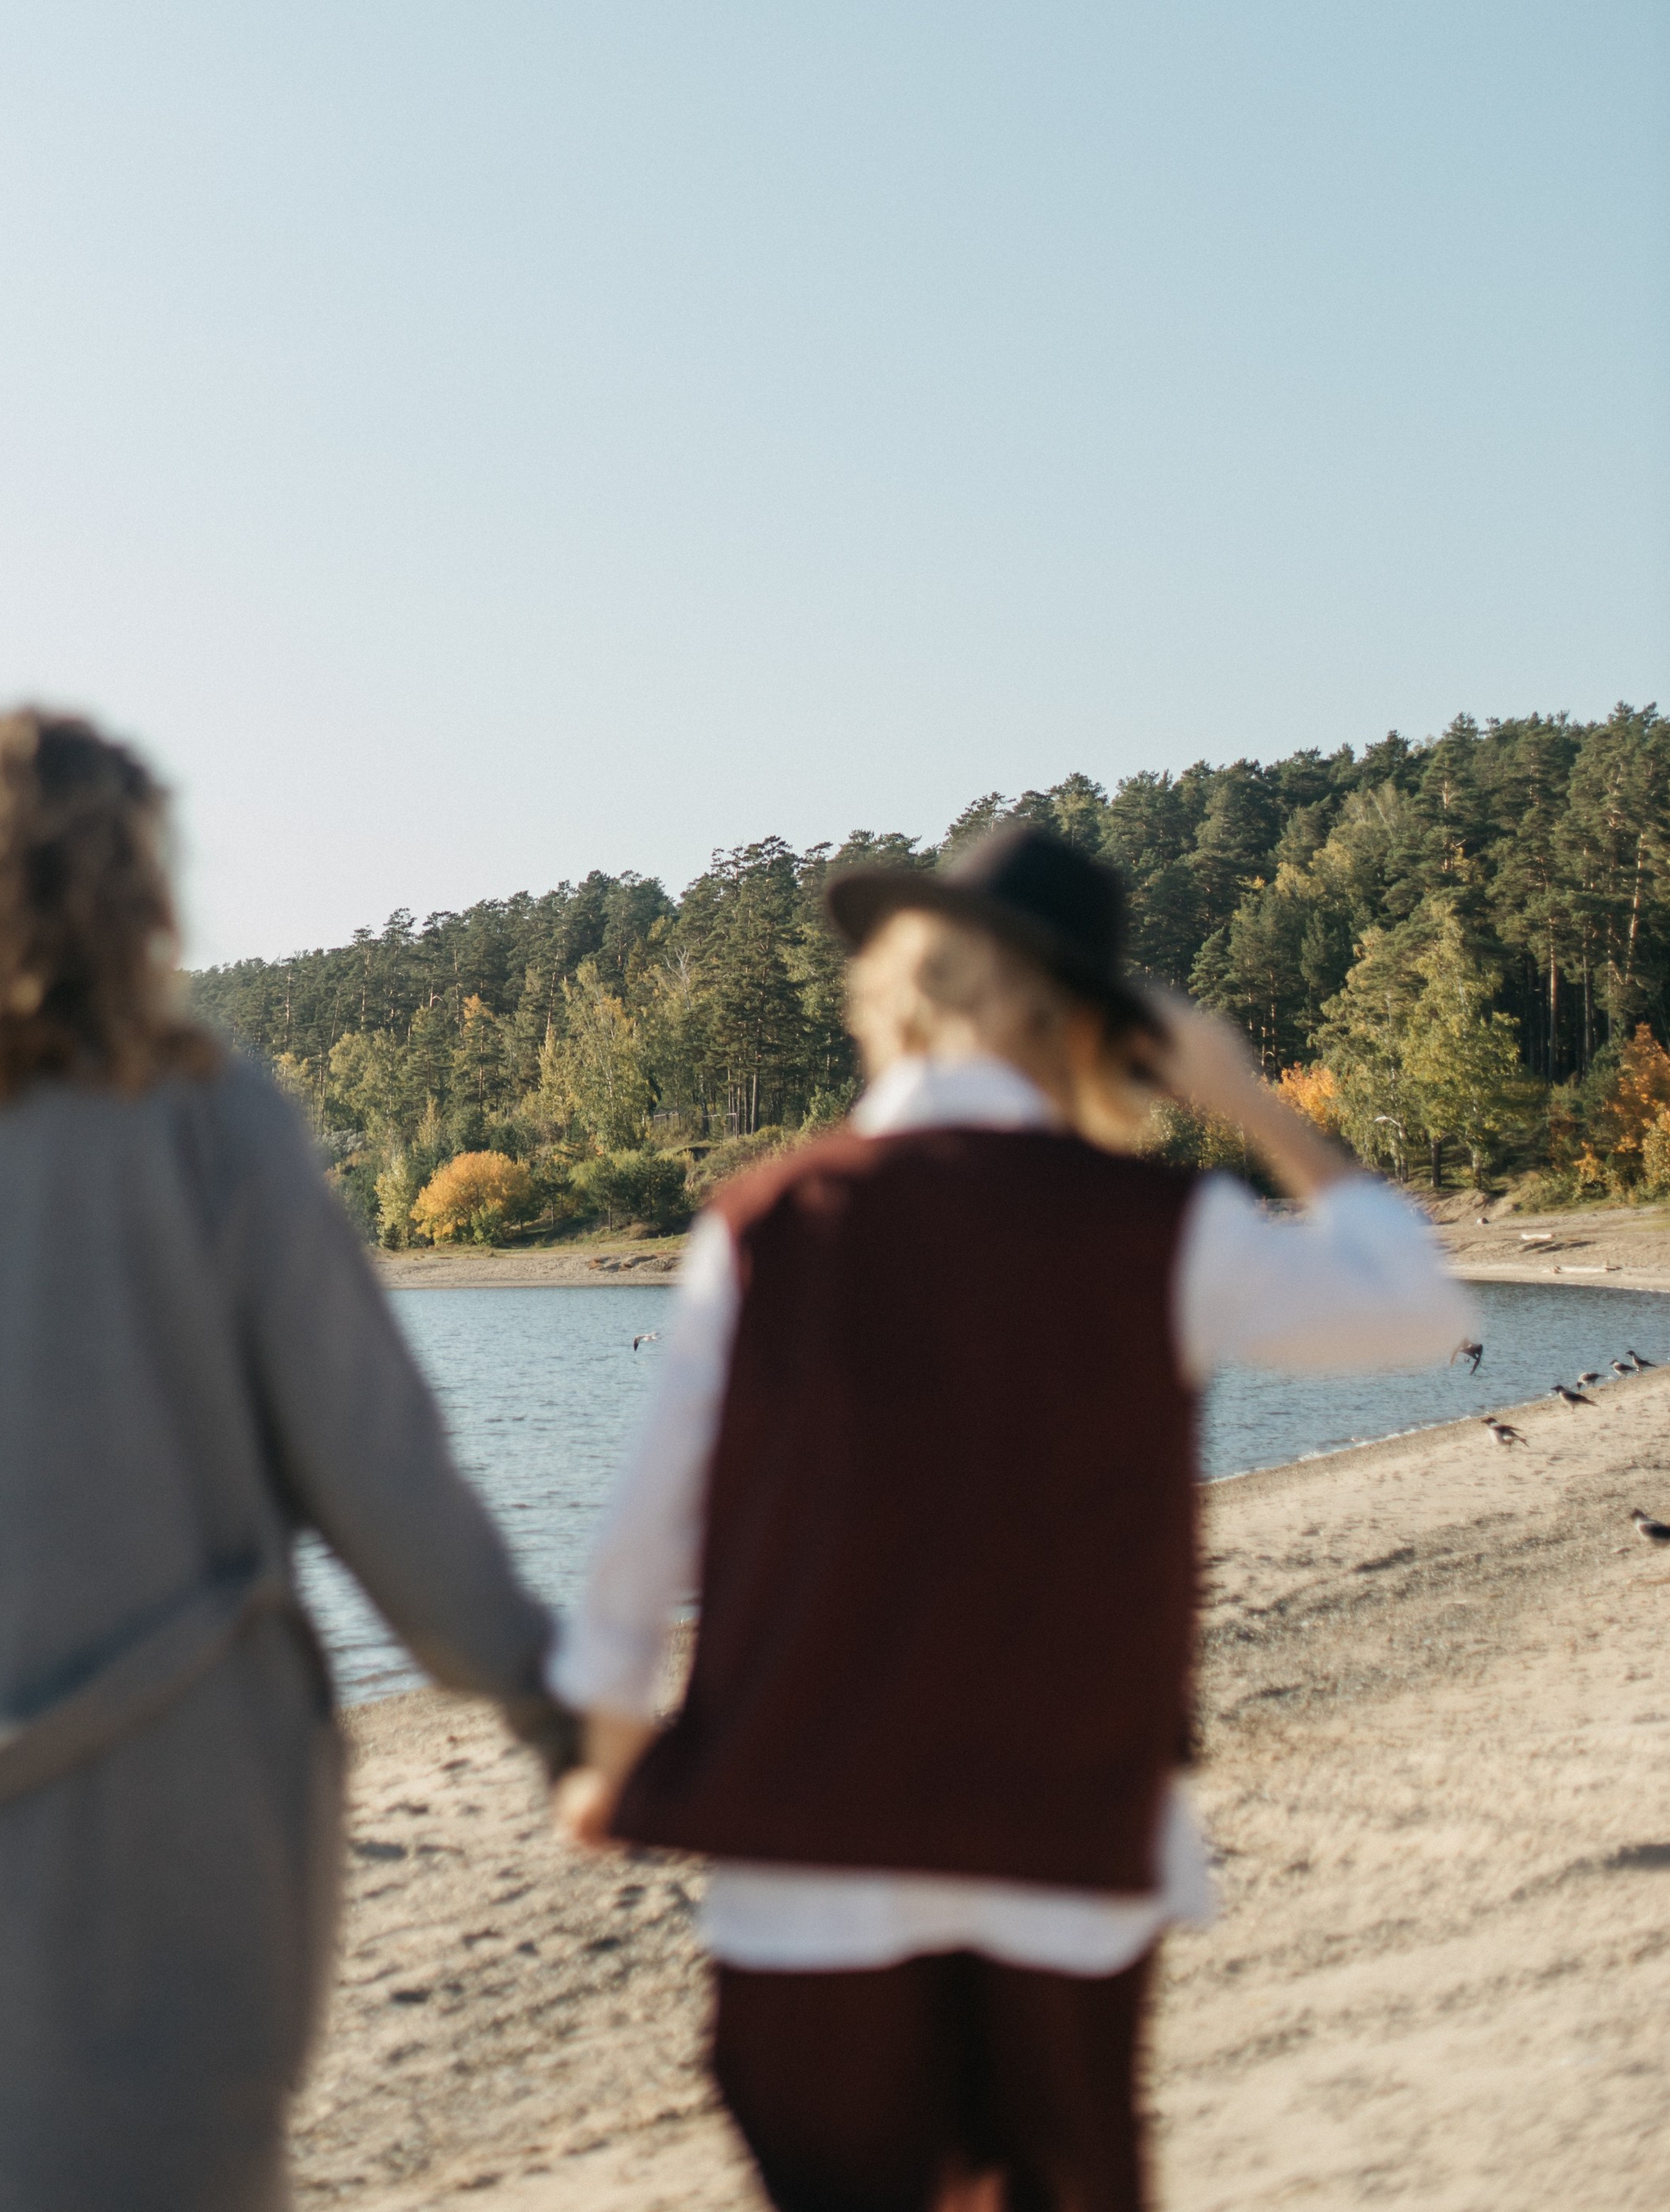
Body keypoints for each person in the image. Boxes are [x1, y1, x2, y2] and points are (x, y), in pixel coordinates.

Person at [0, 710, 577, 2212]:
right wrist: (545, 1702)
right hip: (160, 1834)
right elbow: (382, 1480)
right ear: (132, 891)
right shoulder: (215, 1125)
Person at [551, 823, 1474, 2212]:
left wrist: (607, 1750)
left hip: (811, 1847)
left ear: (898, 992)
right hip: (1067, 1838)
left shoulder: (766, 1225)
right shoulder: (1163, 1231)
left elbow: (642, 1548)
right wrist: (1256, 1106)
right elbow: (1416, 1304)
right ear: (1097, 1028)